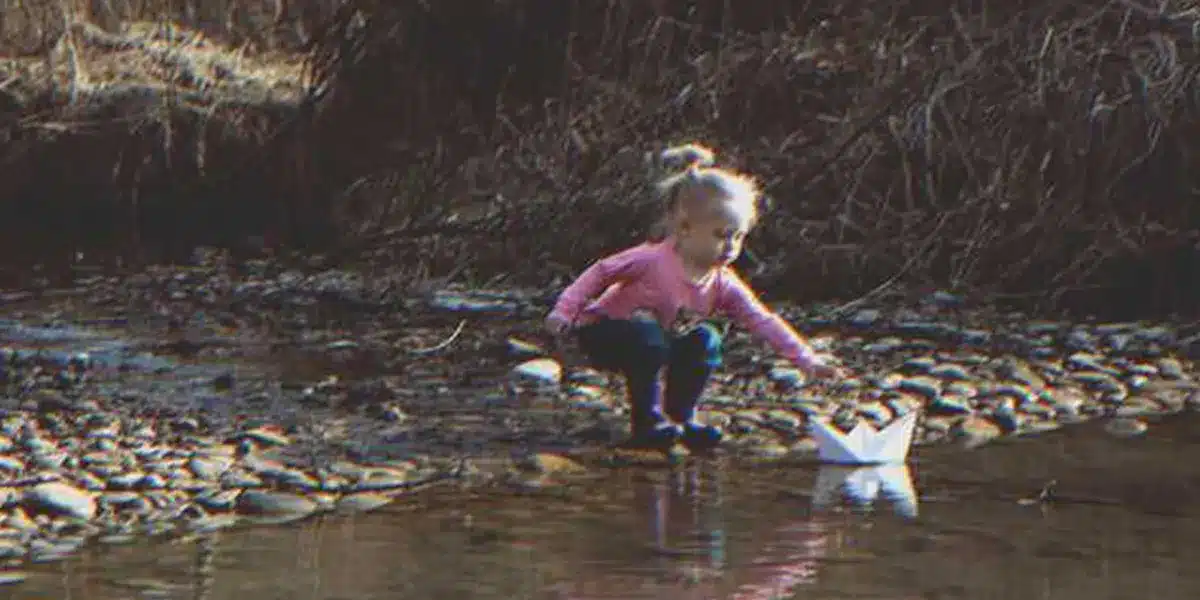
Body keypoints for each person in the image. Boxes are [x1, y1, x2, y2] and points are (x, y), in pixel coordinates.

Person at [545, 142, 845, 451]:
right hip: (603, 333)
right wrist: (565, 311)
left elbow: (762, 319)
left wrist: (806, 359)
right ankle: (647, 423)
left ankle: (681, 419)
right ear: (685, 229)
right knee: (647, 337)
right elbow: (600, 272)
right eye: (720, 235)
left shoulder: (723, 281)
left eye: (738, 237)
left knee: (705, 339)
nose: (730, 246)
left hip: (658, 341)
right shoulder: (652, 259)